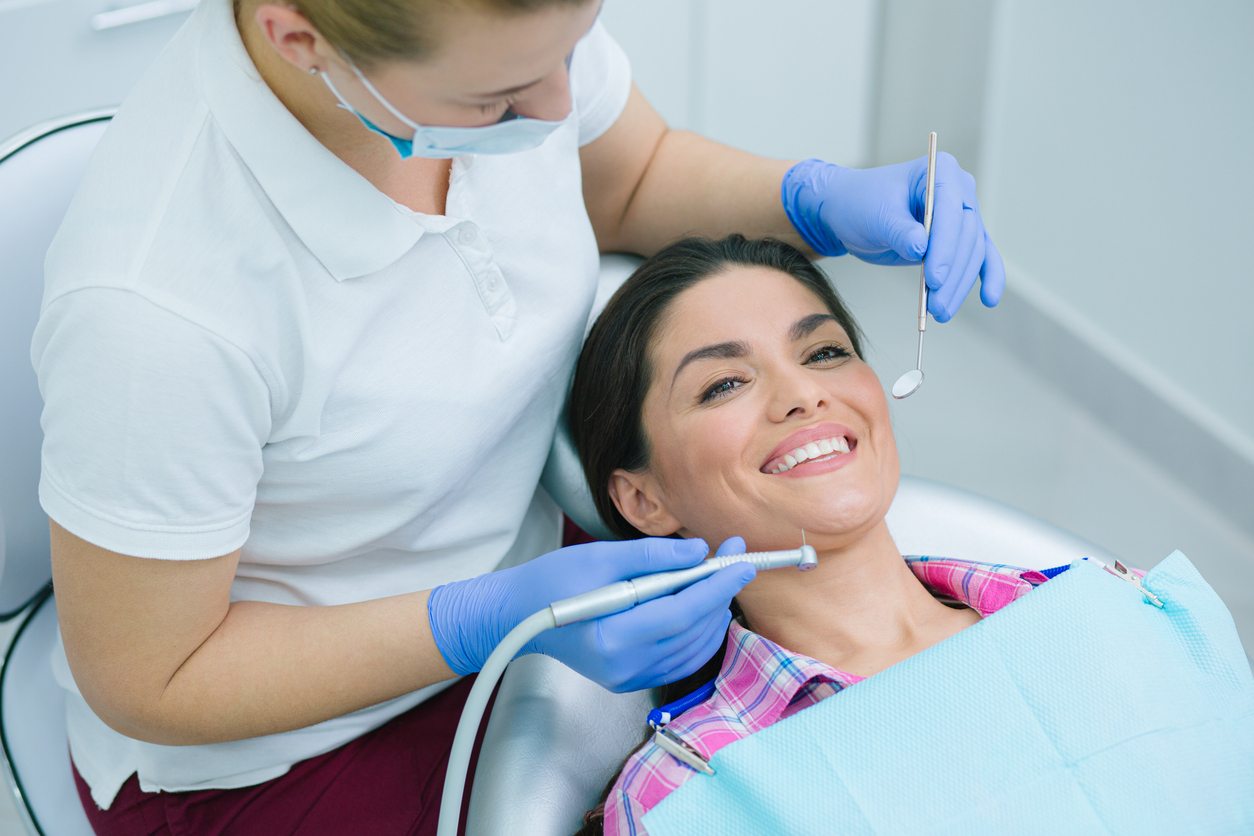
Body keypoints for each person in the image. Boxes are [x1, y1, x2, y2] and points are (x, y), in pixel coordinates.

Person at [35, 0, 1004, 830]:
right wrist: (490, 620)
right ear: (298, 39)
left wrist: (816, 201)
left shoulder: (500, 42)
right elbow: (153, 675)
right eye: (496, 101)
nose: (553, 111)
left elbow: (629, 174)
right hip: (287, 747)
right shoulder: (157, 309)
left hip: (540, 584)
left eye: (569, 57)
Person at [562, 236, 1063, 835]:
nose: (804, 394)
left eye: (824, 352)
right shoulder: (681, 798)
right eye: (724, 384)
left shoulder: (1098, 610)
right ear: (645, 500)